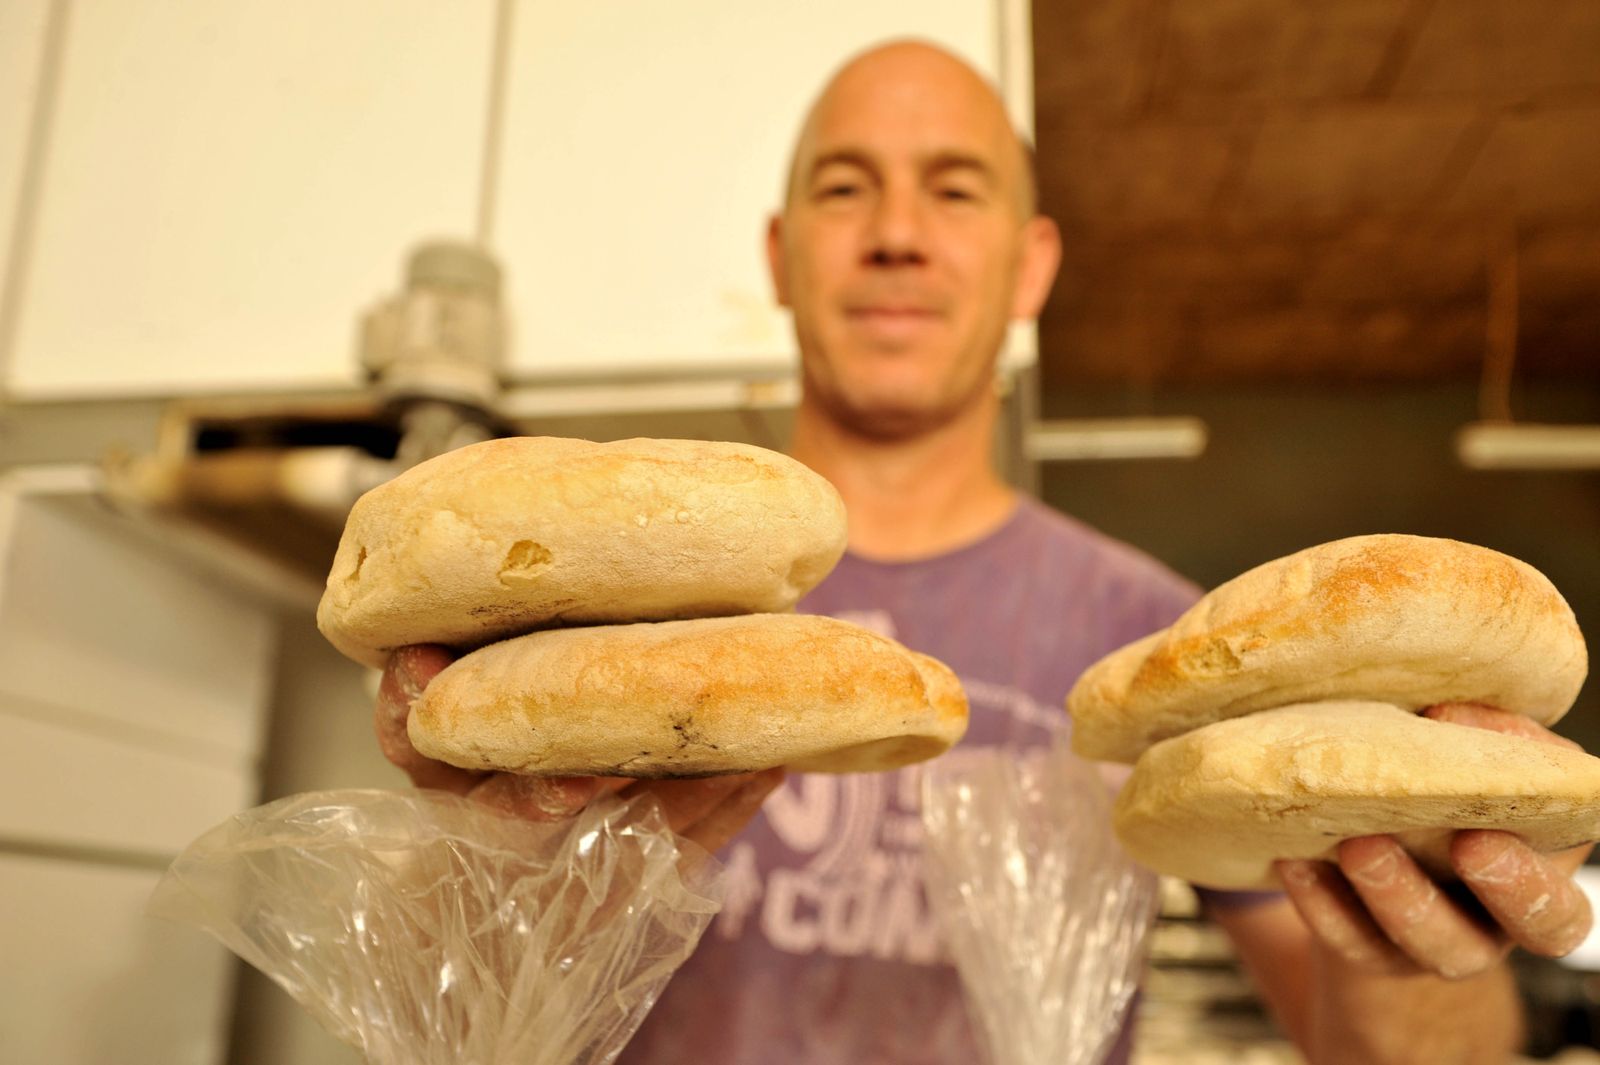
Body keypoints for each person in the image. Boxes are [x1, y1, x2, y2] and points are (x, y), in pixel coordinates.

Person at [373, 39, 1595, 1065]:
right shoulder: (592, 613)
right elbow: (455, 1019)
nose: (897, 234)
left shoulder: (1168, 644)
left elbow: (1370, 1048)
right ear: (778, 254)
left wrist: (1426, 922)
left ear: (1033, 264)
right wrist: (495, 858)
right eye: (846, 188)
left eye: (955, 191)